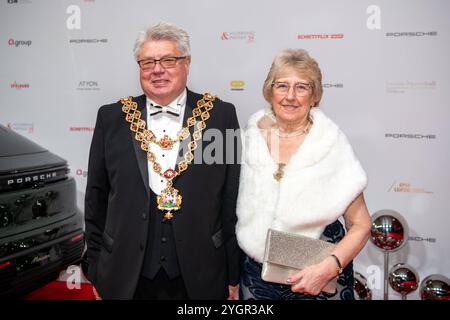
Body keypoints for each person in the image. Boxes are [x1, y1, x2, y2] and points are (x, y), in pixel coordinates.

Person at [84, 22, 241, 300]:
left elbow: (230, 201)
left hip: (202, 275)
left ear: (187, 63)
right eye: (147, 62)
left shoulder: (220, 116)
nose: (157, 70)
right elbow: (96, 199)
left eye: (169, 60)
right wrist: (95, 268)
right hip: (124, 275)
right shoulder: (112, 118)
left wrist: (232, 274)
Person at [236, 48, 372, 300]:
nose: (290, 96)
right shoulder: (251, 136)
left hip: (318, 276)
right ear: (270, 91)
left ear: (314, 95)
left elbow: (362, 225)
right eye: (282, 86)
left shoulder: (331, 143)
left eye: (301, 87)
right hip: (255, 277)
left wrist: (329, 267)